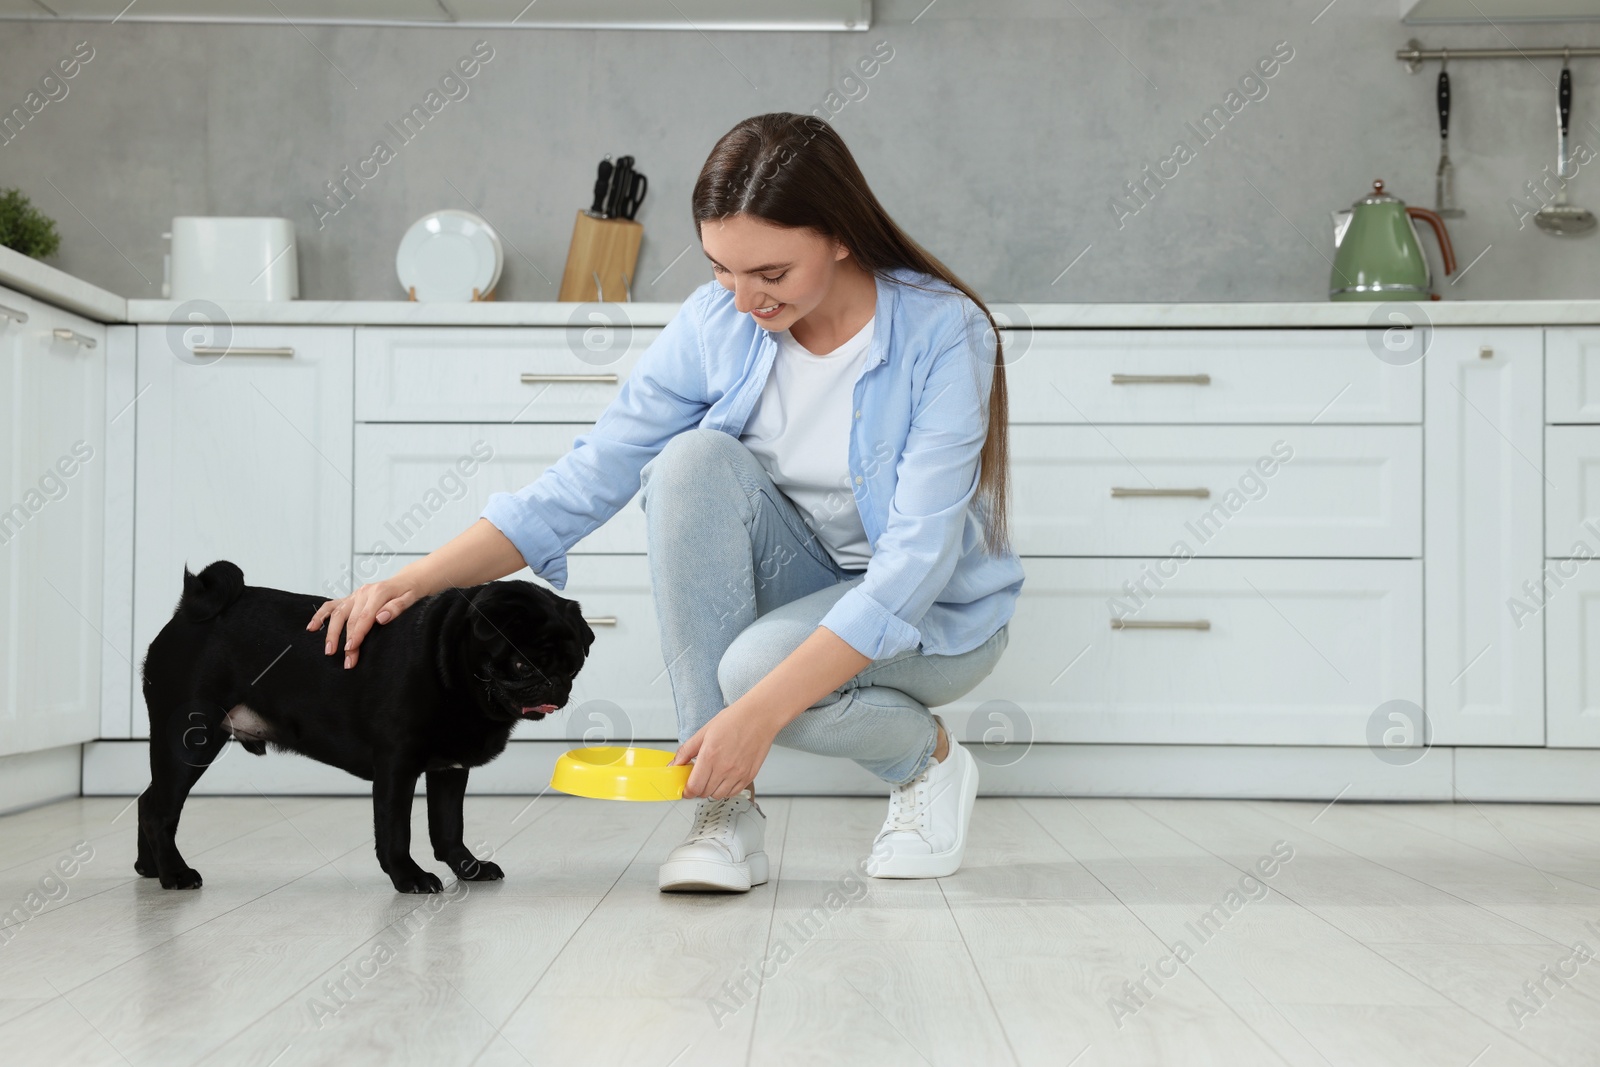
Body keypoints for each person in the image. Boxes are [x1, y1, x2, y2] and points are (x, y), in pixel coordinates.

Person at [306, 111, 1025, 893]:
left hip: (934, 614)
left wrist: (754, 710)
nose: (744, 298)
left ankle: (930, 763)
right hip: (808, 585)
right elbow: (589, 475)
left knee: (754, 669)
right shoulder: (719, 321)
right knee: (687, 461)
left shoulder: (943, 330)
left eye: (771, 274)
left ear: (842, 234)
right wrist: (410, 583)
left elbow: (913, 564)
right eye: (722, 268)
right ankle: (724, 814)